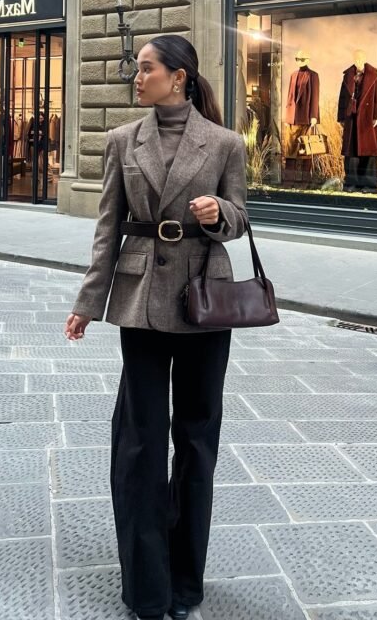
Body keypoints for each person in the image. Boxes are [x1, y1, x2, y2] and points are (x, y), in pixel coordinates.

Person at [64, 34, 247, 620]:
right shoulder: (122, 140)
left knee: (196, 439)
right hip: (140, 297)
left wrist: (219, 214)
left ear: (178, 77)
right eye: (137, 69)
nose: (136, 78)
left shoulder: (225, 143)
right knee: (140, 440)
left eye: (145, 69)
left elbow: (241, 218)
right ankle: (146, 586)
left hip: (203, 300)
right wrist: (88, 302)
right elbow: (107, 228)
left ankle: (185, 580)